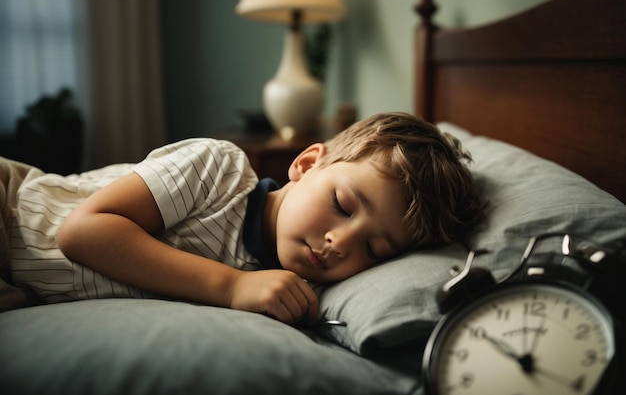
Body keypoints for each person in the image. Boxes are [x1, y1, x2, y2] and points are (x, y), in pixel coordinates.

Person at [1, 112, 483, 323]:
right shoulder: (219, 170)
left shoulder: (292, 286)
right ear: (308, 164)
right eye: (342, 204)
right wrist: (232, 287)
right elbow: (82, 233)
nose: (341, 241)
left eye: (375, 250)